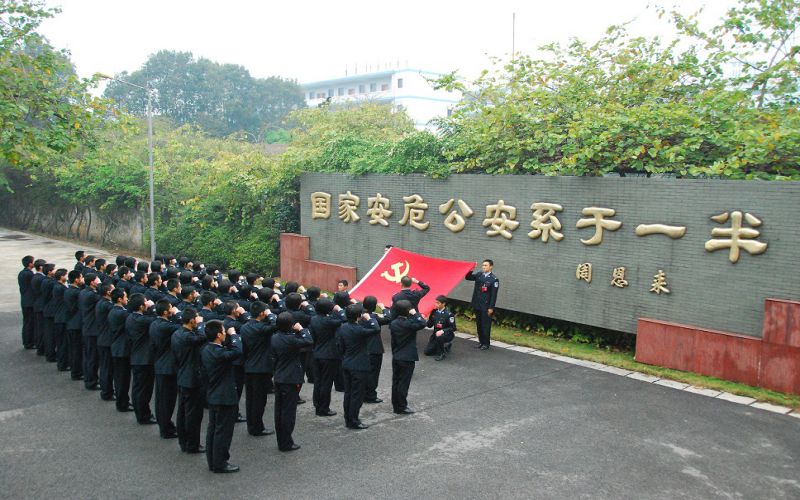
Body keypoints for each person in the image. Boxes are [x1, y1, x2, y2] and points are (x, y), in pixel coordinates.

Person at [202, 320, 244, 473]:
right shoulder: (219, 353)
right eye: (224, 331)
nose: (226, 333)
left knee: (213, 429)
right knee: (223, 431)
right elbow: (238, 350)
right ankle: (220, 462)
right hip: (224, 396)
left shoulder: (207, 349)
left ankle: (213, 460)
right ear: (219, 335)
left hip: (213, 393)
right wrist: (234, 336)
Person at [271, 312, 313, 452]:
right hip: (291, 378)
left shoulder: (275, 338)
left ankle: (281, 440)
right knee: (288, 412)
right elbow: (308, 341)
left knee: (279, 410)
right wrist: (301, 329)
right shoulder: (292, 339)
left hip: (279, 376)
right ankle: (286, 442)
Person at [336, 303, 381, 429]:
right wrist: (370, 318)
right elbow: (376, 329)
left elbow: (340, 346)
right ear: (359, 316)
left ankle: (348, 418)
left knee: (348, 393)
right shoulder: (359, 330)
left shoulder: (343, 327)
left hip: (347, 363)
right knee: (357, 395)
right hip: (359, 366)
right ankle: (354, 420)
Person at [240, 301, 277, 437]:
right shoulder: (262, 328)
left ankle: (252, 425)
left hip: (249, 366)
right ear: (262, 313)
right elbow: (275, 324)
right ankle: (257, 427)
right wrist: (271, 314)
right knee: (259, 400)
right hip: (261, 368)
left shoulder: (244, 327)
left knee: (250, 399)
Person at [172, 307, 207, 454]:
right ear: (192, 320)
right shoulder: (189, 337)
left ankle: (184, 440)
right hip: (192, 378)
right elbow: (201, 337)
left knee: (183, 411)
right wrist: (200, 325)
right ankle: (192, 444)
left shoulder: (177, 333)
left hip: (182, 375)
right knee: (193, 414)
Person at [150, 299, 182, 439]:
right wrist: (178, 314)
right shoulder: (165, 326)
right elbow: (181, 325)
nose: (172, 309)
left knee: (162, 399)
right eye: (170, 308)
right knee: (167, 401)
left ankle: (164, 424)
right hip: (167, 367)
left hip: (160, 363)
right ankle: (165, 427)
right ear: (165, 312)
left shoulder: (155, 323)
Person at [389, 300, 427, 415]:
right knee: (403, 383)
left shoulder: (394, 323)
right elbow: (422, 323)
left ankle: (395, 404)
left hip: (397, 355)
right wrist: (416, 313)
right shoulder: (409, 324)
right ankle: (401, 406)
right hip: (407, 357)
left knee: (396, 381)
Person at [126, 293, 158, 424]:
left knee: (138, 388)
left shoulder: (130, 317)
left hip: (136, 356)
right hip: (144, 359)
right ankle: (143, 415)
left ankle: (140, 412)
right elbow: (156, 319)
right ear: (141, 306)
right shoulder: (142, 320)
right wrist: (153, 307)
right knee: (144, 390)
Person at [309, 298, 343, 416]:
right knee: (326, 383)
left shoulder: (313, 319)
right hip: (329, 355)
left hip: (316, 353)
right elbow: (343, 319)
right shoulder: (329, 321)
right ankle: (324, 408)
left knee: (318, 381)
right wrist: (339, 310)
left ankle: (317, 404)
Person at [361, 296, 390, 403]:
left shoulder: (358, 314)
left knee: (363, 372)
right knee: (373, 373)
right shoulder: (374, 317)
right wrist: (384, 308)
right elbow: (388, 318)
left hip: (361, 348)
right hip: (374, 349)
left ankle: (363, 393)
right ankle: (370, 395)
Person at [465, 259, 499, 350]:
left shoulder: (493, 280)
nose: (484, 267)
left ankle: (486, 344)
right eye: (483, 265)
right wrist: (471, 268)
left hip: (486, 306)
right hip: (477, 304)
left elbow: (493, 296)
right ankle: (481, 342)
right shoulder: (479, 275)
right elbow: (467, 277)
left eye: (486, 265)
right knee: (479, 324)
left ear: (491, 267)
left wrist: (491, 308)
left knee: (485, 325)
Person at [108, 289, 133, 412]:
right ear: (119, 299)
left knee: (120, 378)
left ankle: (122, 400)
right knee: (122, 379)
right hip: (121, 349)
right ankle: (122, 403)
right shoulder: (121, 313)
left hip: (117, 347)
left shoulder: (114, 310)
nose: (127, 299)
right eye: (125, 297)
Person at [78, 273, 102, 390]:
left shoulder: (83, 292)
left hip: (87, 327)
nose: (99, 280)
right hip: (92, 329)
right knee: (92, 357)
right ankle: (91, 381)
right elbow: (104, 295)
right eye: (97, 279)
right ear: (92, 282)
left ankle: (89, 378)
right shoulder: (92, 295)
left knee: (88, 356)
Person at [95, 283, 116, 401]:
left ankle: (106, 390)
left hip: (103, 338)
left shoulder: (102, 302)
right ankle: (107, 391)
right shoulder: (107, 305)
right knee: (107, 368)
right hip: (106, 340)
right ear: (108, 292)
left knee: (105, 367)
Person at [63, 270, 84, 380]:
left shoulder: (69, 290)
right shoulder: (77, 292)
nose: (82, 279)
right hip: (76, 325)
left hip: (71, 322)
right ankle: (77, 372)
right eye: (81, 277)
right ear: (76, 279)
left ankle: (75, 369)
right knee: (77, 350)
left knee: (73, 349)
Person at [424, 295, 456, 361]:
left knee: (440, 337)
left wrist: (443, 331)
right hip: (435, 335)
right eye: (435, 302)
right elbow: (429, 325)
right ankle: (445, 346)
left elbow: (453, 328)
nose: (435, 304)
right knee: (427, 352)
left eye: (438, 303)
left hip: (446, 335)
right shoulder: (434, 312)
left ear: (443, 304)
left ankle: (442, 353)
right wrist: (424, 320)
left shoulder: (449, 315)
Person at [51, 268, 70, 371]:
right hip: (62, 318)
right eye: (66, 275)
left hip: (59, 317)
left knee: (62, 342)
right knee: (63, 343)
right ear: (62, 277)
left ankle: (63, 362)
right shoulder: (61, 288)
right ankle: (62, 364)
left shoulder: (58, 286)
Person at [18, 255, 35, 349]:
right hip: (30, 302)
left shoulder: (22, 273)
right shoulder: (29, 274)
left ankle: (27, 341)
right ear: (30, 264)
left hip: (25, 300)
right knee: (29, 322)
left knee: (26, 322)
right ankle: (29, 342)